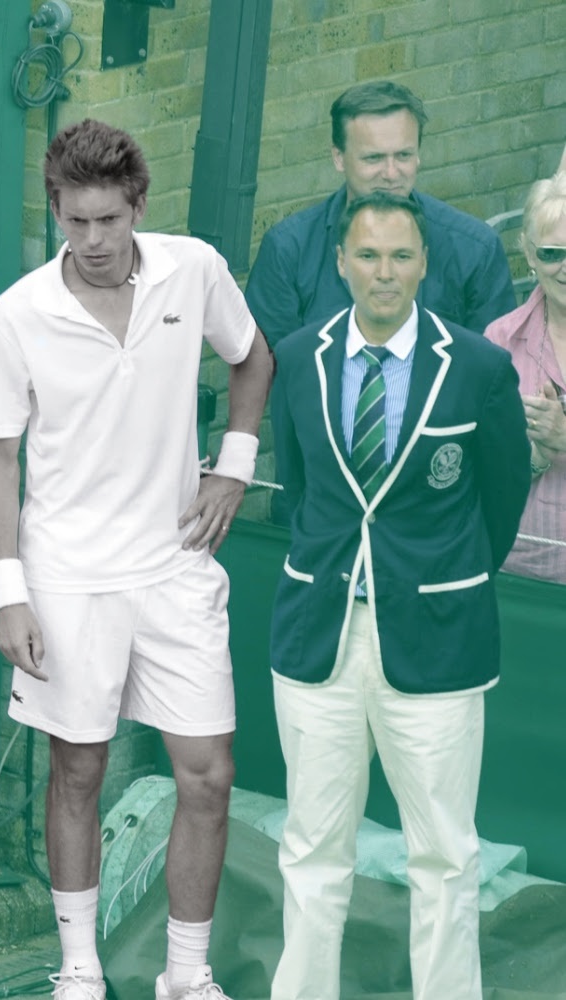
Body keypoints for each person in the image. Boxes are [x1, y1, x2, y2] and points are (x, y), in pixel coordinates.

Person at [0, 119, 274, 1000]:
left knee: (208, 774)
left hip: (175, 566)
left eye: (109, 220)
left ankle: (186, 976)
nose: (94, 242)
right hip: (66, 577)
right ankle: (78, 969)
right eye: (76, 223)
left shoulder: (195, 268)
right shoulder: (22, 314)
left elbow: (253, 360)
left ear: (138, 206)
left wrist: (234, 469)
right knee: (79, 771)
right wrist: (9, 595)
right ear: (57, 212)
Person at [266, 191, 530, 1000]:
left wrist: (442, 580)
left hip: (439, 638)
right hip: (319, 635)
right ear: (342, 262)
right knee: (312, 848)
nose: (386, 273)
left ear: (425, 263)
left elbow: (502, 493)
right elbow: (301, 491)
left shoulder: (480, 366)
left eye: (402, 256)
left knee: (446, 856)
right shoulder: (301, 357)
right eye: (369, 256)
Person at [247, 81, 517, 343]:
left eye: (403, 156)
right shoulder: (288, 251)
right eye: (373, 158)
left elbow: (492, 371)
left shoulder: (475, 250)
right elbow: (272, 371)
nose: (391, 174)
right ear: (338, 157)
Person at [483, 167, 566, 582]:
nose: (565, 267)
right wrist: (532, 457)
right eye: (553, 253)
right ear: (529, 254)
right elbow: (478, 464)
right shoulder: (500, 340)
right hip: (519, 570)